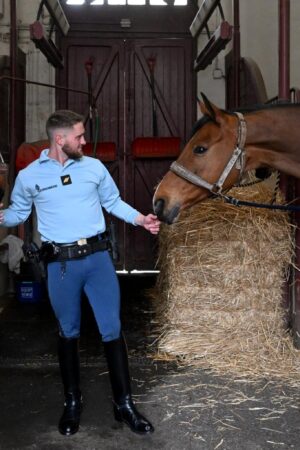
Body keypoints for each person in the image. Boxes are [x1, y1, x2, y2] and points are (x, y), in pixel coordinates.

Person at [0, 110, 160, 436]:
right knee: (68, 331)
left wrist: (140, 219)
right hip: (61, 265)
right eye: (79, 136)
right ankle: (72, 402)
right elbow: (17, 212)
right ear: (60, 140)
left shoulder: (94, 168)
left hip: (98, 260)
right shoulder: (30, 176)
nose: (85, 141)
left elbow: (113, 202)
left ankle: (124, 403)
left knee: (112, 329)